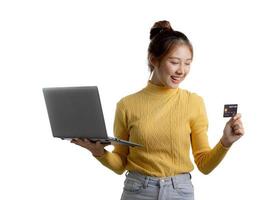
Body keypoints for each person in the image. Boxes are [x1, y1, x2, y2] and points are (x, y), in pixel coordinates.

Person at [71, 20, 245, 200]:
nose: (182, 71)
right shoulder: (126, 105)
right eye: (175, 62)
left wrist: (226, 142)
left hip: (180, 192)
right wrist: (98, 152)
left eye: (187, 63)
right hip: (137, 191)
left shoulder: (194, 102)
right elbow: (120, 164)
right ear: (153, 60)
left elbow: (204, 165)